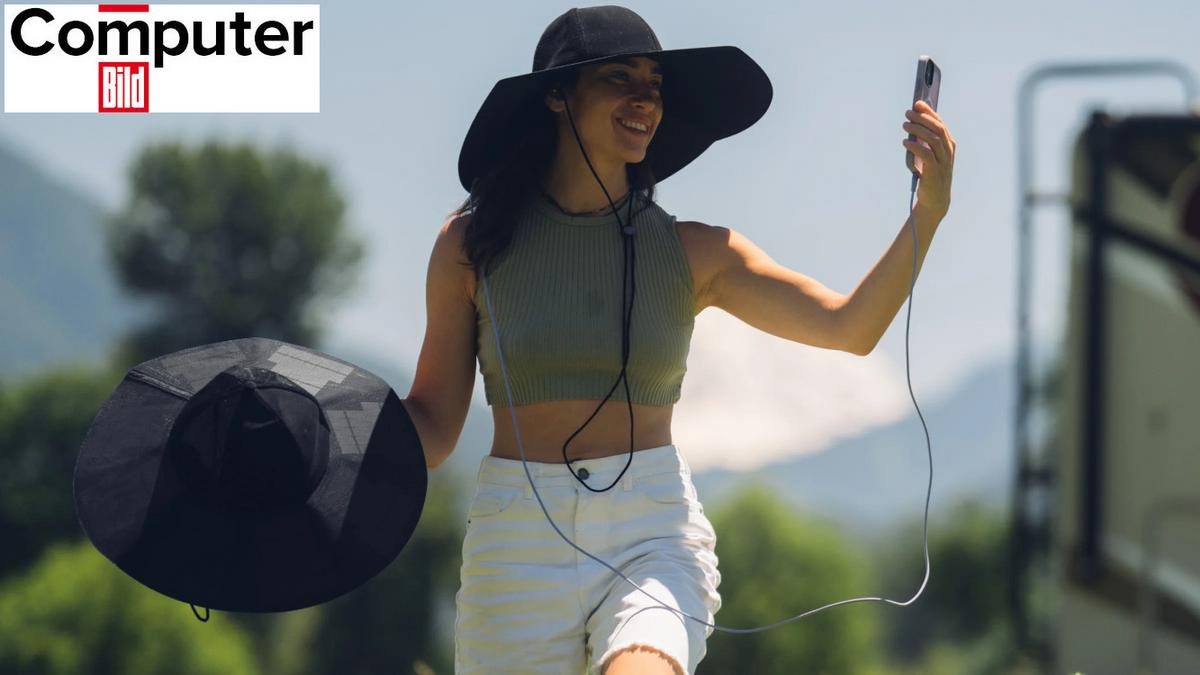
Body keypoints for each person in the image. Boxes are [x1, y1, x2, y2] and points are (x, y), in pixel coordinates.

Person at [401, 5, 955, 675]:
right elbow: (431, 422)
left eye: (655, 83)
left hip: (650, 530)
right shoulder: (470, 246)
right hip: (515, 543)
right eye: (620, 76)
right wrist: (339, 434)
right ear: (556, 95)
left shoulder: (696, 253)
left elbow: (850, 327)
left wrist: (929, 212)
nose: (645, 98)